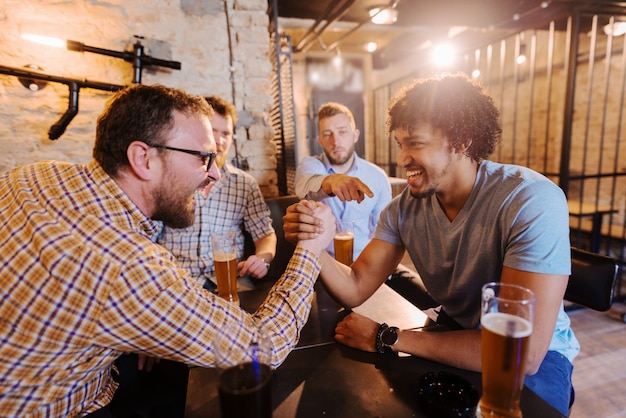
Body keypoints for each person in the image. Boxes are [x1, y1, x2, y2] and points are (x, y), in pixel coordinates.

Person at [0, 84, 336, 417]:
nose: (214, 173)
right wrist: (309, 250)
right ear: (143, 158)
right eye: (203, 158)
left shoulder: (33, 174)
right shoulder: (127, 264)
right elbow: (263, 347)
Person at [283, 73, 580, 415]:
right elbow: (354, 286)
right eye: (400, 144)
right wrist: (312, 242)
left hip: (536, 361)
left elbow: (521, 354)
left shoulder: (529, 199)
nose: (402, 158)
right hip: (451, 333)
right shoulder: (402, 210)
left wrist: (387, 337)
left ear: (463, 140)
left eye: (416, 143)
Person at [157, 96, 276, 289]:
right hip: (178, 280)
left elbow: (265, 234)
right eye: (213, 131)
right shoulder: (174, 176)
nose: (220, 141)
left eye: (226, 133)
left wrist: (263, 259)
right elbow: (149, 233)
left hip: (231, 279)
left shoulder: (244, 183)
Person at [295, 102, 392, 259]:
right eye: (327, 134)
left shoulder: (377, 176)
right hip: (322, 267)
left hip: (365, 262)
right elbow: (303, 188)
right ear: (320, 141)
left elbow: (384, 233)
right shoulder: (311, 166)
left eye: (343, 132)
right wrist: (331, 181)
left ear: (355, 135)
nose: (336, 141)